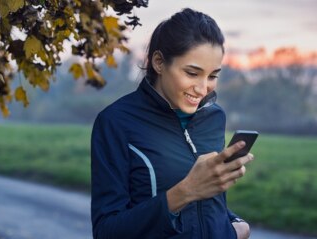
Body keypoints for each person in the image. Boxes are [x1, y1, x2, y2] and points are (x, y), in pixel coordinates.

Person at [91, 8, 254, 239]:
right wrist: (184, 192)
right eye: (192, 73)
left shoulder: (215, 117)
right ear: (158, 62)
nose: (203, 88)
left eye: (213, 75)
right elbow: (106, 231)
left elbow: (207, 206)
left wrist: (235, 226)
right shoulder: (115, 123)